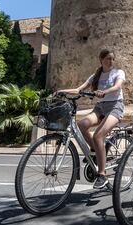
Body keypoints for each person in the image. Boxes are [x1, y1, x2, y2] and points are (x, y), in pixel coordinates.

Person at [56, 49, 125, 189]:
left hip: (115, 106)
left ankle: (102, 174)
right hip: (100, 108)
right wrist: (62, 91)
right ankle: (95, 150)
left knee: (99, 135)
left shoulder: (118, 72)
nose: (110, 61)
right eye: (107, 59)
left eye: (112, 59)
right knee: (81, 124)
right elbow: (78, 90)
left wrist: (104, 92)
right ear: (101, 60)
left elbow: (117, 86)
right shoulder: (95, 76)